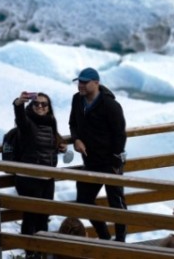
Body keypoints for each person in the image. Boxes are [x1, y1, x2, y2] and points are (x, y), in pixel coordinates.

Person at [68, 67, 128, 242]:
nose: (81, 85)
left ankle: (121, 241)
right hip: (91, 161)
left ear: (96, 83)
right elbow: (73, 123)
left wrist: (115, 159)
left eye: (85, 82)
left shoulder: (110, 105)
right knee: (84, 199)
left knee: (116, 203)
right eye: (79, 82)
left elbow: (120, 134)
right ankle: (104, 236)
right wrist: (76, 139)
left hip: (110, 162)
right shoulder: (77, 100)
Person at [11, 91, 67, 253]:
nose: (40, 107)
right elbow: (20, 118)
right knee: (31, 216)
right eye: (36, 104)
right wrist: (18, 103)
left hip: (47, 178)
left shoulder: (50, 122)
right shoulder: (27, 123)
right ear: (31, 105)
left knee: (43, 217)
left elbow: (47, 145)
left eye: (44, 104)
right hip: (28, 178)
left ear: (49, 107)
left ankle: (42, 253)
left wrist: (60, 147)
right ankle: (30, 254)